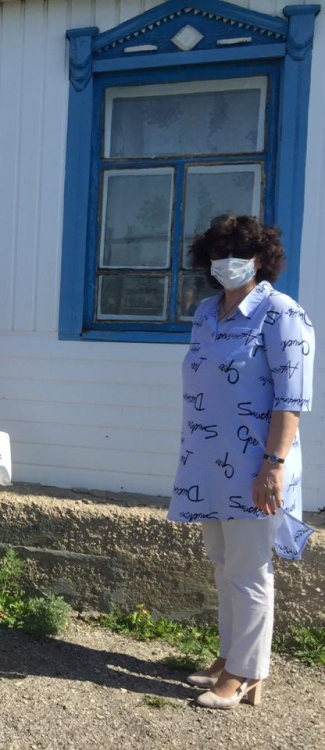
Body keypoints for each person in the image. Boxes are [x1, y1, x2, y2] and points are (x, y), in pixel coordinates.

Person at [170, 214, 315, 709]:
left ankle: (247, 672)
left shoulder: (281, 313)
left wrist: (273, 463)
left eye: (238, 252)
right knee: (222, 563)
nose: (226, 261)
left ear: (260, 259)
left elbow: (291, 399)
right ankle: (229, 655)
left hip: (257, 465)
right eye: (218, 253)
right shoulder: (206, 313)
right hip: (208, 462)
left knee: (249, 568)